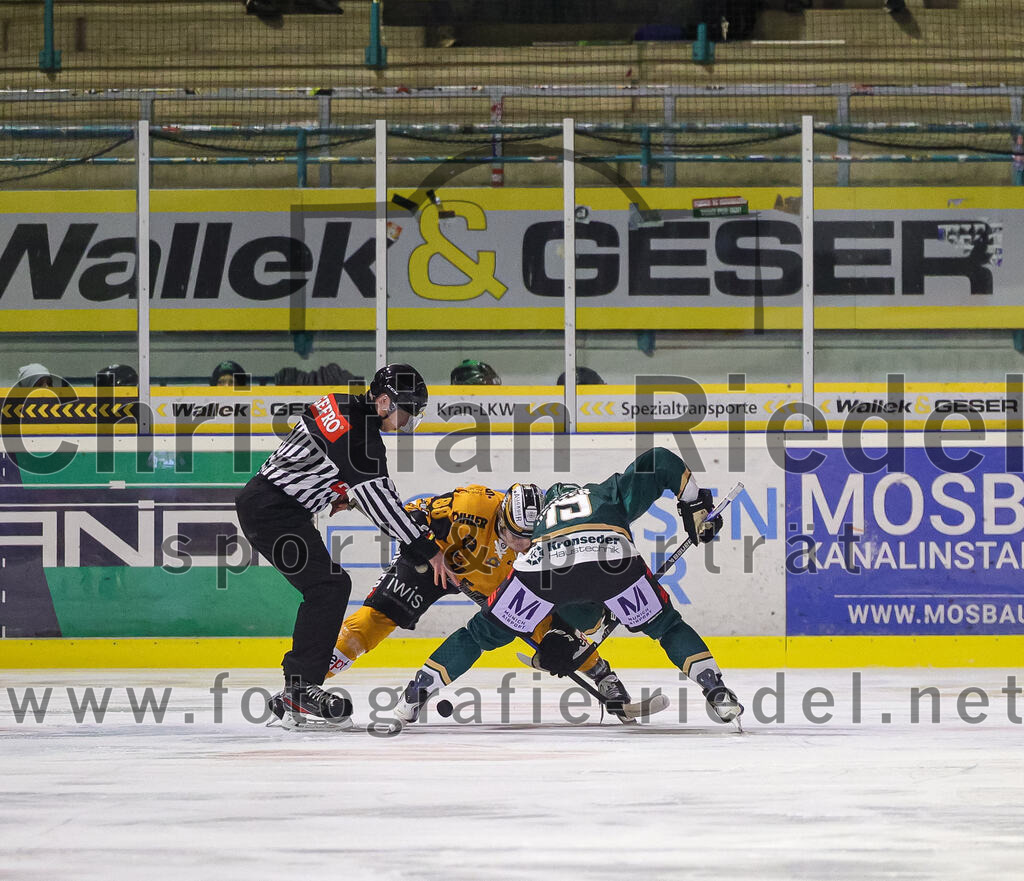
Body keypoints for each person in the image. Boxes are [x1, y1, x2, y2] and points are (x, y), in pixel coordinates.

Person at [393, 447, 743, 727]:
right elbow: (660, 460)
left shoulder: (537, 530)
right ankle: (717, 690)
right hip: (615, 559)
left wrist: (561, 634)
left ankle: (416, 692)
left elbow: (564, 581)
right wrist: (695, 504)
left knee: (478, 634)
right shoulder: (604, 493)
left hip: (545, 567)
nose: (516, 545)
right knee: (667, 627)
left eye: (519, 536)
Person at [235, 363, 457, 728]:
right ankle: (300, 688)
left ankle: (299, 688)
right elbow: (384, 506)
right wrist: (428, 549)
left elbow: (315, 450)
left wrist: (338, 491)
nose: (407, 421)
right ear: (384, 402)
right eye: (407, 411)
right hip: (274, 514)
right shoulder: (363, 441)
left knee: (329, 585)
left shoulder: (338, 403)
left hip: (267, 502)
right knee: (328, 587)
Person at [326, 483, 544, 676]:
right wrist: (426, 549)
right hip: (433, 561)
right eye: (515, 536)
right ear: (502, 518)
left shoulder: (549, 537)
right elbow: (414, 513)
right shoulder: (472, 504)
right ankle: (311, 678)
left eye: (529, 538)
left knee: (546, 627)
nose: (522, 546)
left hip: (488, 579)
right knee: (374, 620)